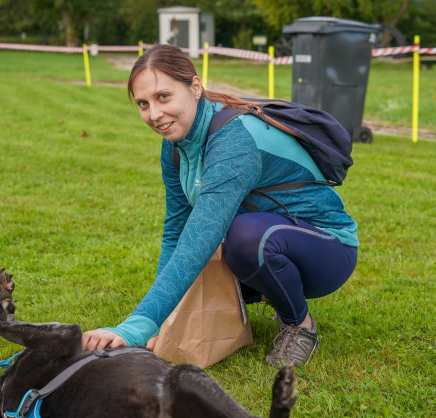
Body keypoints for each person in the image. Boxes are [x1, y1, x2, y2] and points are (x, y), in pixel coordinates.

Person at [82, 44, 358, 366]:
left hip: (328, 250)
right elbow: (177, 231)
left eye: (164, 97)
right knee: (234, 236)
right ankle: (275, 290)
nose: (154, 114)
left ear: (195, 88)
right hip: (277, 239)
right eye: (143, 104)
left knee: (244, 236)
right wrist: (156, 324)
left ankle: (300, 326)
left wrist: (134, 327)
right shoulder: (174, 146)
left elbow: (199, 238)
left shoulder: (234, 140)